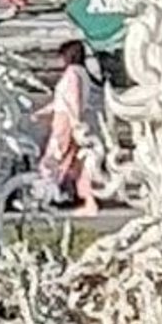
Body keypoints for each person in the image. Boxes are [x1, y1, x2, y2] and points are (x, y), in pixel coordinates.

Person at [35, 35, 101, 211]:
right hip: (67, 118)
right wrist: (44, 111)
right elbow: (64, 100)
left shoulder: (72, 73)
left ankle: (46, 193)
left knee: (53, 157)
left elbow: (73, 99)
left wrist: (74, 119)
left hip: (65, 121)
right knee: (74, 162)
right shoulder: (82, 73)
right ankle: (86, 199)